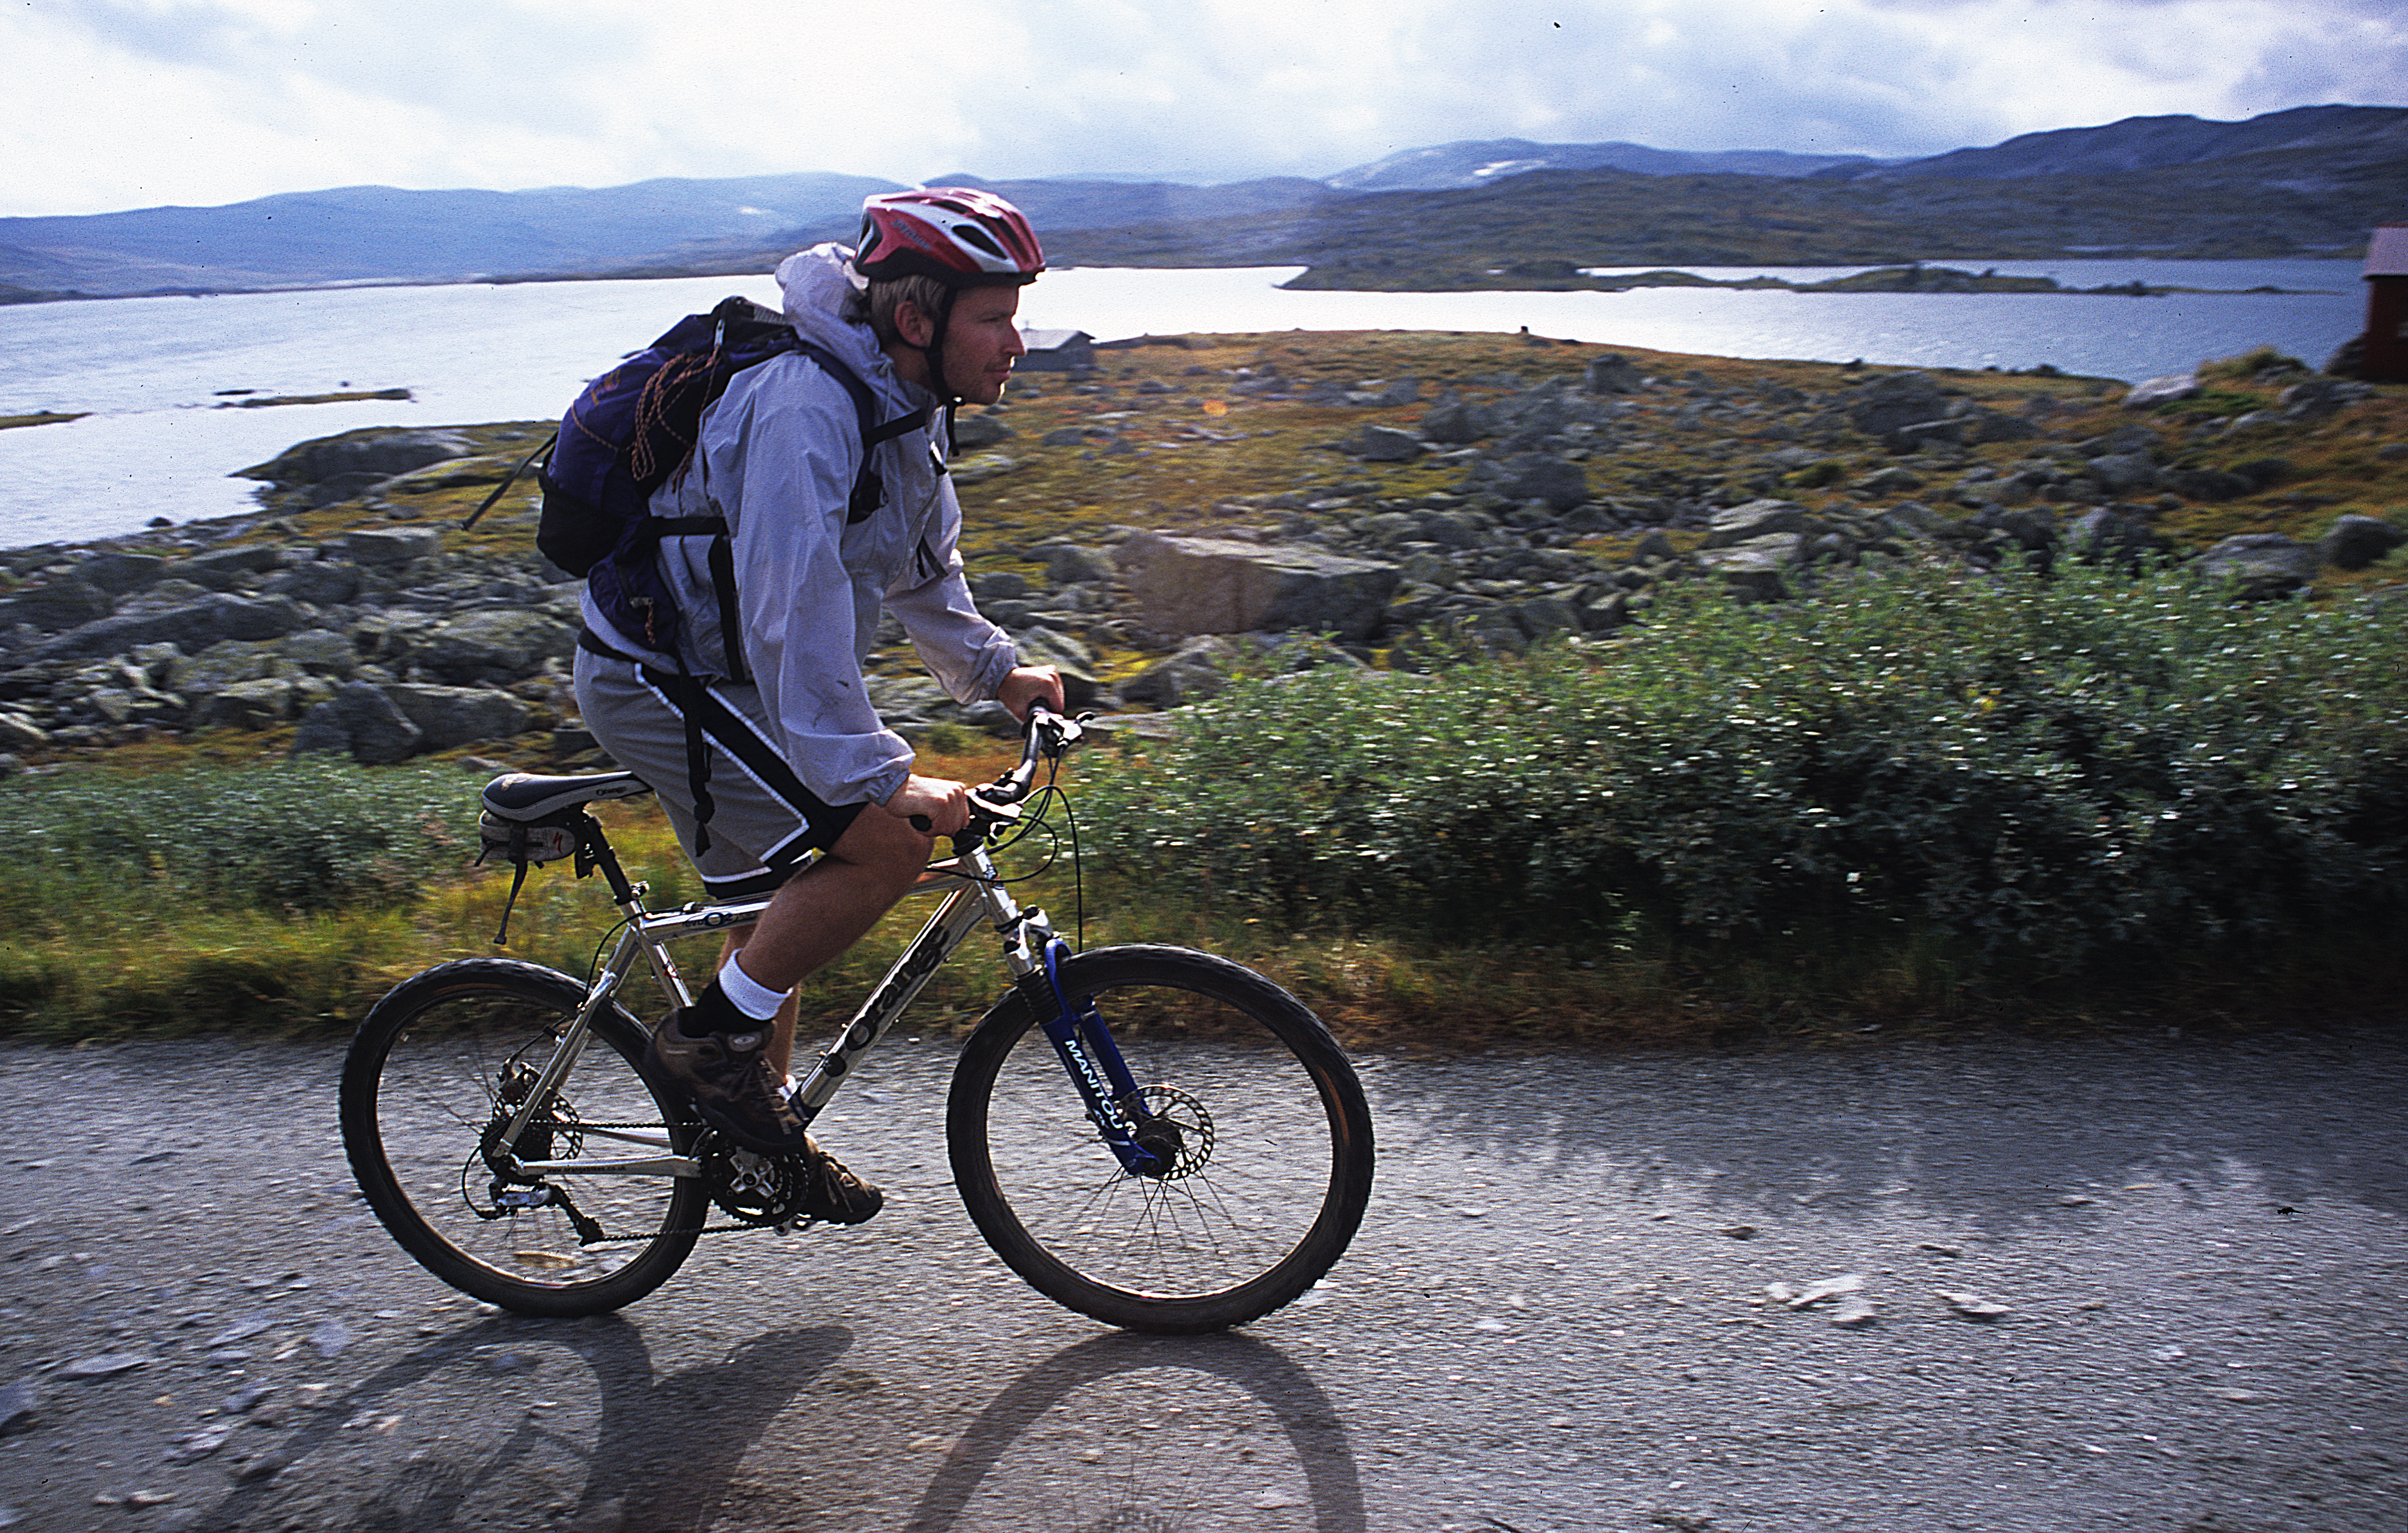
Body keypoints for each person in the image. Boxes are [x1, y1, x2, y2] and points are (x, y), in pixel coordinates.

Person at [570, 188, 1064, 1223]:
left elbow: (923, 573)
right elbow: (793, 611)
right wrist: (892, 781)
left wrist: (997, 673)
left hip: (732, 667)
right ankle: (708, 1047)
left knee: (787, 900)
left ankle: (758, 1129)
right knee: (884, 848)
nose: (1018, 340)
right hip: (659, 675)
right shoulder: (804, 404)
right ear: (918, 320)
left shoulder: (904, 404)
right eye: (997, 315)